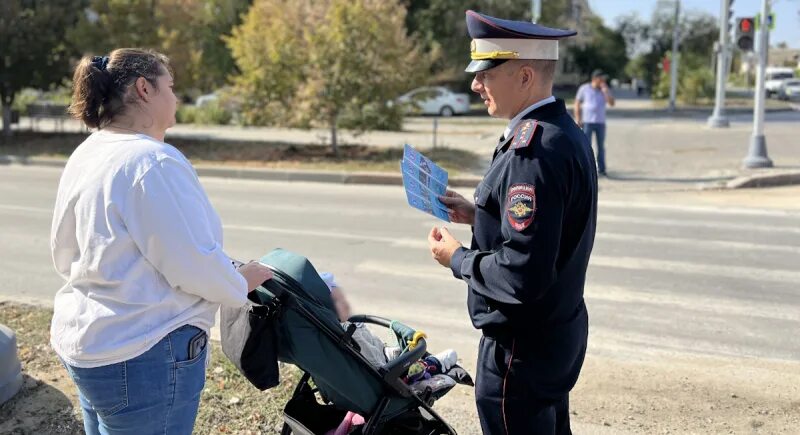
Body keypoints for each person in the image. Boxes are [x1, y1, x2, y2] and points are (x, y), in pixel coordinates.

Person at [51, 48, 273, 435]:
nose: (176, 98)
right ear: (144, 89)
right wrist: (242, 280)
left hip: (89, 346)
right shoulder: (151, 162)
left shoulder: (88, 151)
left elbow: (64, 251)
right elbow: (192, 264)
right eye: (170, 87)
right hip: (143, 355)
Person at [427, 10, 598, 435]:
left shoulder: (533, 151)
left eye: (486, 73)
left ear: (524, 77)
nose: (474, 84)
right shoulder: (562, 132)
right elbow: (550, 230)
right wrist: (480, 212)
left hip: (520, 354)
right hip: (555, 334)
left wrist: (457, 258)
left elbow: (522, 273)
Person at [319, 272, 458, 378]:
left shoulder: (348, 326)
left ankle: (410, 356)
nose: (346, 303)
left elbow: (376, 347)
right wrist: (399, 366)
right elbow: (377, 365)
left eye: (344, 298)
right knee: (423, 362)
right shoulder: (350, 335)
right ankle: (433, 364)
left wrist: (398, 352)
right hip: (386, 372)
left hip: (383, 356)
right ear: (330, 309)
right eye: (339, 301)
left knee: (405, 349)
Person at [574, 69, 615, 176]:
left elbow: (611, 103)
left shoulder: (604, 89)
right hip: (587, 121)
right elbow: (577, 103)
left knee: (601, 146)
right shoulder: (584, 89)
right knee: (586, 146)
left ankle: (602, 169)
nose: (603, 81)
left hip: (600, 122)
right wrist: (578, 118)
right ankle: (586, 168)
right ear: (595, 79)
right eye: (601, 79)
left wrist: (606, 92)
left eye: (603, 79)